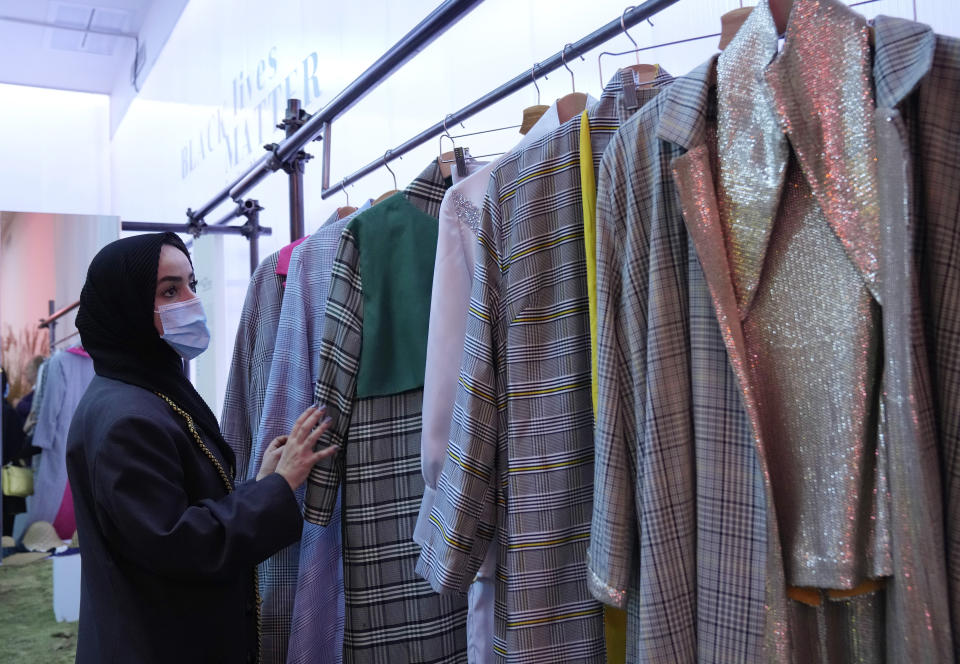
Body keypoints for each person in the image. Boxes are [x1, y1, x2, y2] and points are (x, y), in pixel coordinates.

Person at [66, 232, 338, 663]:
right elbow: (181, 543)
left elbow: (180, 508)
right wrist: (279, 486)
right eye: (169, 290)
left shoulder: (143, 392)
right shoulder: (127, 419)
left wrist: (261, 481)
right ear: (126, 305)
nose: (191, 300)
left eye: (192, 283)